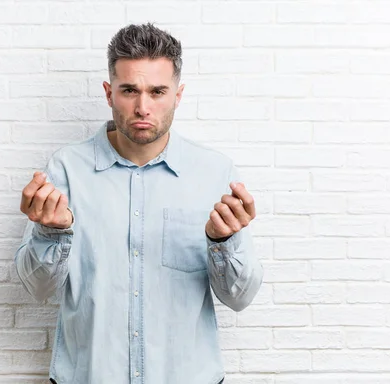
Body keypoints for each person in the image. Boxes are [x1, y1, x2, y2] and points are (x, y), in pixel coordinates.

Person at [14, 23, 264, 384]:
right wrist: (51, 233)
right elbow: (36, 288)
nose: (143, 107)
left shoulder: (214, 172)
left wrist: (222, 243)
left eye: (157, 91)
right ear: (109, 92)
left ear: (177, 95)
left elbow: (240, 297)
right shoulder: (66, 169)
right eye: (129, 90)